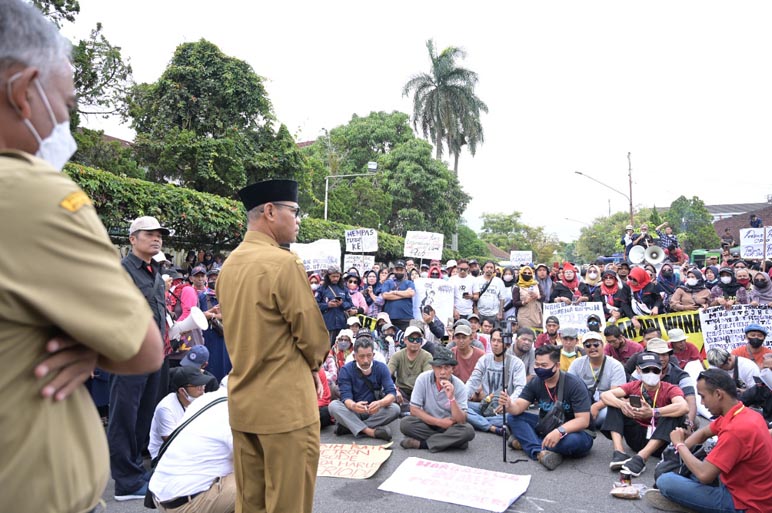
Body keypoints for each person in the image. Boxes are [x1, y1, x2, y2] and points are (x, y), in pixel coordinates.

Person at [0, 3, 165, 510]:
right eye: (66, 102)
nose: (65, 120)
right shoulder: (34, 196)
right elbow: (143, 346)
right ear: (24, 91)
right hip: (32, 494)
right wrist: (96, 345)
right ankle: (130, 476)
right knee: (125, 414)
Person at [216, 179, 329, 513]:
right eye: (293, 211)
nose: (297, 220)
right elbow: (313, 337)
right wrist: (314, 365)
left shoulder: (230, 265)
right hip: (286, 407)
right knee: (287, 504)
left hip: (243, 402)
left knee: (250, 502)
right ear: (269, 212)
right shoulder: (283, 263)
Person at [647, 369, 772, 513]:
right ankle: (692, 500)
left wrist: (679, 444)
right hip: (751, 489)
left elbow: (704, 475)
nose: (702, 403)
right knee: (691, 471)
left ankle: (691, 504)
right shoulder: (744, 412)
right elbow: (705, 432)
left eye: (703, 396)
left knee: (666, 481)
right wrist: (681, 448)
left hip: (746, 504)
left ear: (718, 394)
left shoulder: (736, 430)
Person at [110, 216, 173, 501]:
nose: (156, 238)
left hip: (154, 356)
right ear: (132, 239)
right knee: (124, 418)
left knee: (143, 416)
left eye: (159, 234)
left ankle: (136, 468)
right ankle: (125, 482)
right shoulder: (121, 271)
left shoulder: (155, 272)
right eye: (149, 234)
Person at [148, 386, 236, 513]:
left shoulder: (206, 399)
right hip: (186, 503)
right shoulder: (234, 412)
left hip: (162, 496)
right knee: (263, 482)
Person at [505, 345, 594, 470]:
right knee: (513, 418)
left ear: (557, 366)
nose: (539, 369)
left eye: (544, 366)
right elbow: (519, 406)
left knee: (570, 442)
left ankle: (526, 442)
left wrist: (560, 431)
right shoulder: (536, 382)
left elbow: (583, 421)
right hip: (547, 425)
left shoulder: (574, 384)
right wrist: (509, 405)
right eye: (537, 365)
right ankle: (539, 452)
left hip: (574, 431)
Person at [601, 352, 689, 477]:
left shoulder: (670, 388)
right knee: (614, 405)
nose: (651, 373)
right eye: (646, 370)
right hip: (638, 435)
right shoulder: (634, 386)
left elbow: (683, 406)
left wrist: (654, 412)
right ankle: (619, 452)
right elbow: (605, 395)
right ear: (638, 370)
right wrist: (622, 405)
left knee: (674, 414)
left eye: (655, 370)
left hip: (661, 440)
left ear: (661, 371)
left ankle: (641, 458)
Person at [399, 346, 476, 452]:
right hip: (428, 422)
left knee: (468, 431)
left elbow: (461, 420)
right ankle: (450, 442)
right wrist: (438, 422)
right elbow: (414, 409)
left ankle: (423, 444)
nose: (442, 372)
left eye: (446, 367)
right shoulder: (423, 379)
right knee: (405, 423)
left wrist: (452, 398)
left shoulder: (460, 385)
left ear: (452, 369)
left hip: (450, 426)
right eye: (439, 367)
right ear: (433, 367)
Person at [328, 336, 400, 441]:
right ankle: (369, 431)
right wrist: (353, 405)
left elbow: (391, 393)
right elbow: (345, 397)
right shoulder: (346, 370)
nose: (365, 360)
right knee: (333, 405)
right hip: (353, 410)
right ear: (354, 356)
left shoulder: (381, 367)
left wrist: (380, 403)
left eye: (368, 356)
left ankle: (350, 427)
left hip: (374, 409)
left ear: (373, 355)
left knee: (395, 409)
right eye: (361, 356)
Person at [466, 328, 527, 435]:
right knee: (460, 407)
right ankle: (492, 427)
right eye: (493, 340)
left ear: (507, 344)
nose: (495, 344)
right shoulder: (484, 360)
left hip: (506, 408)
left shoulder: (517, 363)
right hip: (486, 405)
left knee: (515, 417)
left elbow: (520, 388)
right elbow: (472, 382)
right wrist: (462, 398)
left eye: (499, 341)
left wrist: (509, 404)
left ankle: (477, 421)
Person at [568, 331, 627, 430]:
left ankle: (583, 423)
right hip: (582, 402)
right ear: (584, 347)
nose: (592, 347)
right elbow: (569, 388)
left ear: (603, 345)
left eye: (596, 344)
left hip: (605, 404)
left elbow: (616, 394)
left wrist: (596, 407)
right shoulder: (576, 363)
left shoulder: (615, 366)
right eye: (587, 345)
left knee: (610, 413)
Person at [148, 367, 210, 459]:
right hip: (166, 456)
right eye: (198, 386)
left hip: (195, 450)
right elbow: (172, 443)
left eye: (203, 384)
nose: (202, 389)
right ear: (182, 391)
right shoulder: (166, 408)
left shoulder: (202, 399)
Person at [388, 326, 434, 407]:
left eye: (418, 339)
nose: (415, 342)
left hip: (420, 391)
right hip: (401, 391)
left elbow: (427, 378)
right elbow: (387, 375)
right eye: (411, 339)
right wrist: (394, 390)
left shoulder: (427, 356)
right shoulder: (397, 355)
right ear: (405, 340)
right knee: (389, 397)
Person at [317, 265, 353, 345]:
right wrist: (327, 305)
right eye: (333, 276)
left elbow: (350, 304)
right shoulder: (322, 289)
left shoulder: (343, 288)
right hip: (327, 324)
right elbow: (315, 305)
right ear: (328, 276)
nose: (336, 278)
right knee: (327, 347)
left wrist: (342, 304)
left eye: (337, 276)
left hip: (342, 323)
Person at [380, 259, 416, 331]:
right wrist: (404, 293)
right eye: (397, 269)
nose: (399, 272)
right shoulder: (388, 282)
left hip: (406, 318)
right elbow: (385, 295)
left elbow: (411, 293)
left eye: (401, 270)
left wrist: (394, 292)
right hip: (390, 319)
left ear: (405, 271)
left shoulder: (409, 283)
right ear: (394, 270)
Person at [473, 260, 507, 326]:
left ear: (494, 269)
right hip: (480, 313)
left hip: (494, 314)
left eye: (491, 268)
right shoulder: (477, 280)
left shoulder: (499, 281)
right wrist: (475, 310)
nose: (489, 269)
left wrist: (500, 313)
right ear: (483, 268)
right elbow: (474, 296)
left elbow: (502, 298)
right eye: (487, 267)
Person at [512, 265, 544, 329]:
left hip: (537, 314)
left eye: (529, 273)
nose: (527, 275)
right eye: (525, 273)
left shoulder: (536, 285)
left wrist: (537, 296)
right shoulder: (517, 287)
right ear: (521, 274)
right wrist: (524, 302)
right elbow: (515, 303)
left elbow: (543, 297)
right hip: (524, 315)